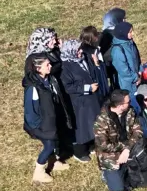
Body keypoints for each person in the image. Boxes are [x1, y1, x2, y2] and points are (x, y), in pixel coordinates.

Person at [93, 90, 147, 191]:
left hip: (129, 147)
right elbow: (103, 146)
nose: (130, 103)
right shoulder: (101, 120)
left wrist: (127, 149)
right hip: (111, 153)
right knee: (118, 188)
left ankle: (128, 166)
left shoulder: (129, 111)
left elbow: (138, 130)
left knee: (144, 171)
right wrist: (123, 150)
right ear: (120, 105)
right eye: (128, 102)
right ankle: (107, 172)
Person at [60, 38, 104, 164]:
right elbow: (68, 87)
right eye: (78, 50)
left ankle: (91, 144)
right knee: (83, 127)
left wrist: (96, 65)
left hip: (93, 98)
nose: (81, 51)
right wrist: (87, 88)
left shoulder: (84, 59)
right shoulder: (66, 67)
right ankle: (80, 152)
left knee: (93, 123)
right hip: (81, 103)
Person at [24, 55, 65, 183]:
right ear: (38, 68)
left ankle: (53, 161)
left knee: (54, 141)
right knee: (49, 145)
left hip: (50, 119)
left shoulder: (48, 79)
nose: (50, 66)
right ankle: (39, 172)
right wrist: (37, 126)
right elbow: (30, 111)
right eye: (47, 65)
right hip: (42, 124)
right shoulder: (33, 87)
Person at [109, 20, 141, 93]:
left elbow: (137, 58)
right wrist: (136, 78)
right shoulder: (117, 50)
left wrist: (140, 71)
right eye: (130, 32)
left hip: (137, 80)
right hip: (127, 85)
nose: (133, 33)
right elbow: (124, 71)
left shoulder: (130, 43)